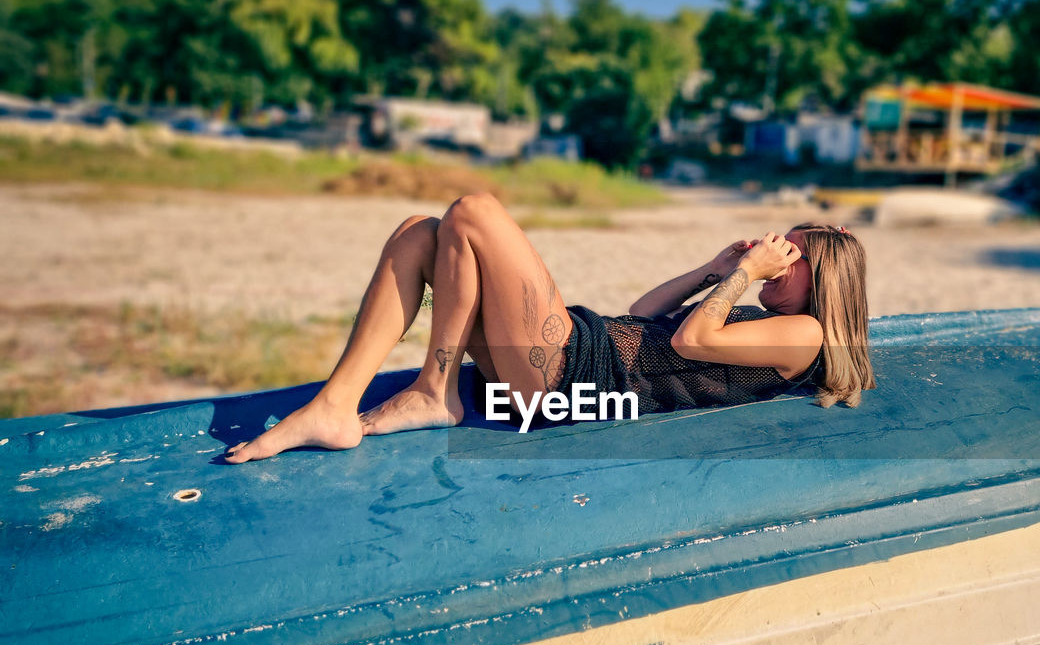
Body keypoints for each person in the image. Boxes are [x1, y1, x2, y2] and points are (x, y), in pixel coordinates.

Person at [225, 193, 874, 463]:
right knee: (418, 235)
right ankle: (335, 406)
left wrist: (743, 278)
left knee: (474, 212)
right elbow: (645, 314)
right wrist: (717, 268)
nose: (773, 256)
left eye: (790, 254)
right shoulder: (764, 315)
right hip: (581, 350)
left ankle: (435, 388)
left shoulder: (808, 335)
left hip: (577, 378)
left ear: (822, 278)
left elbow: (689, 342)